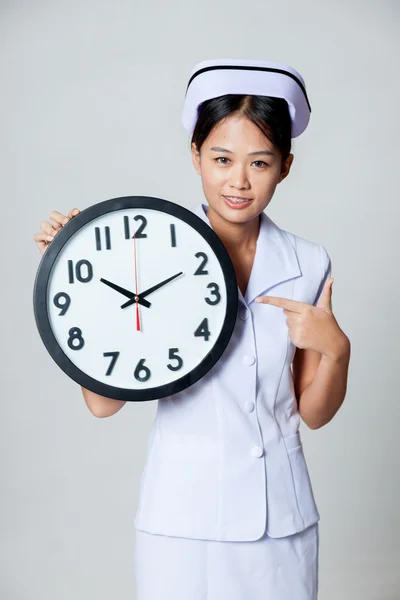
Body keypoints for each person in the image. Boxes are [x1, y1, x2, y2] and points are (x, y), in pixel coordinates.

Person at [33, 59, 351, 599]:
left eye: (260, 162)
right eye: (222, 159)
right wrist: (81, 278)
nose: (239, 181)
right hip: (182, 522)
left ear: (286, 166)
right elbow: (103, 405)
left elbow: (312, 413)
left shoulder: (308, 261)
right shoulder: (143, 250)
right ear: (196, 156)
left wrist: (337, 351)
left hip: (281, 522)